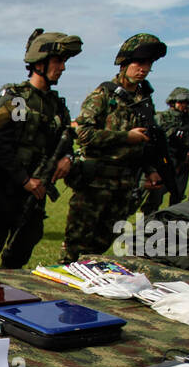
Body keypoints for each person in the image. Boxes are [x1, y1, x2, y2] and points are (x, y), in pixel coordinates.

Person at [0, 28, 81, 271]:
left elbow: (67, 139)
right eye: (58, 61)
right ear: (39, 62)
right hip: (6, 192)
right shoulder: (17, 100)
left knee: (20, 254)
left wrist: (68, 158)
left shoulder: (56, 105)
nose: (62, 67)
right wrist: (25, 180)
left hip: (36, 195)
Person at [62, 33, 167, 260]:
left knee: (101, 244)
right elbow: (84, 134)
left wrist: (151, 170)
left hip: (125, 186)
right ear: (124, 63)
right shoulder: (103, 94)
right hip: (95, 184)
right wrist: (125, 137)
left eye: (149, 64)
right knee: (75, 244)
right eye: (139, 63)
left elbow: (147, 140)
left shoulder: (145, 101)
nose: (144, 69)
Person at [139, 86, 189, 211]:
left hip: (181, 165)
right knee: (156, 197)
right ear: (173, 102)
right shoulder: (161, 118)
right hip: (163, 163)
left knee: (177, 198)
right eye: (183, 102)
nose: (186, 106)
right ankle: (147, 224)